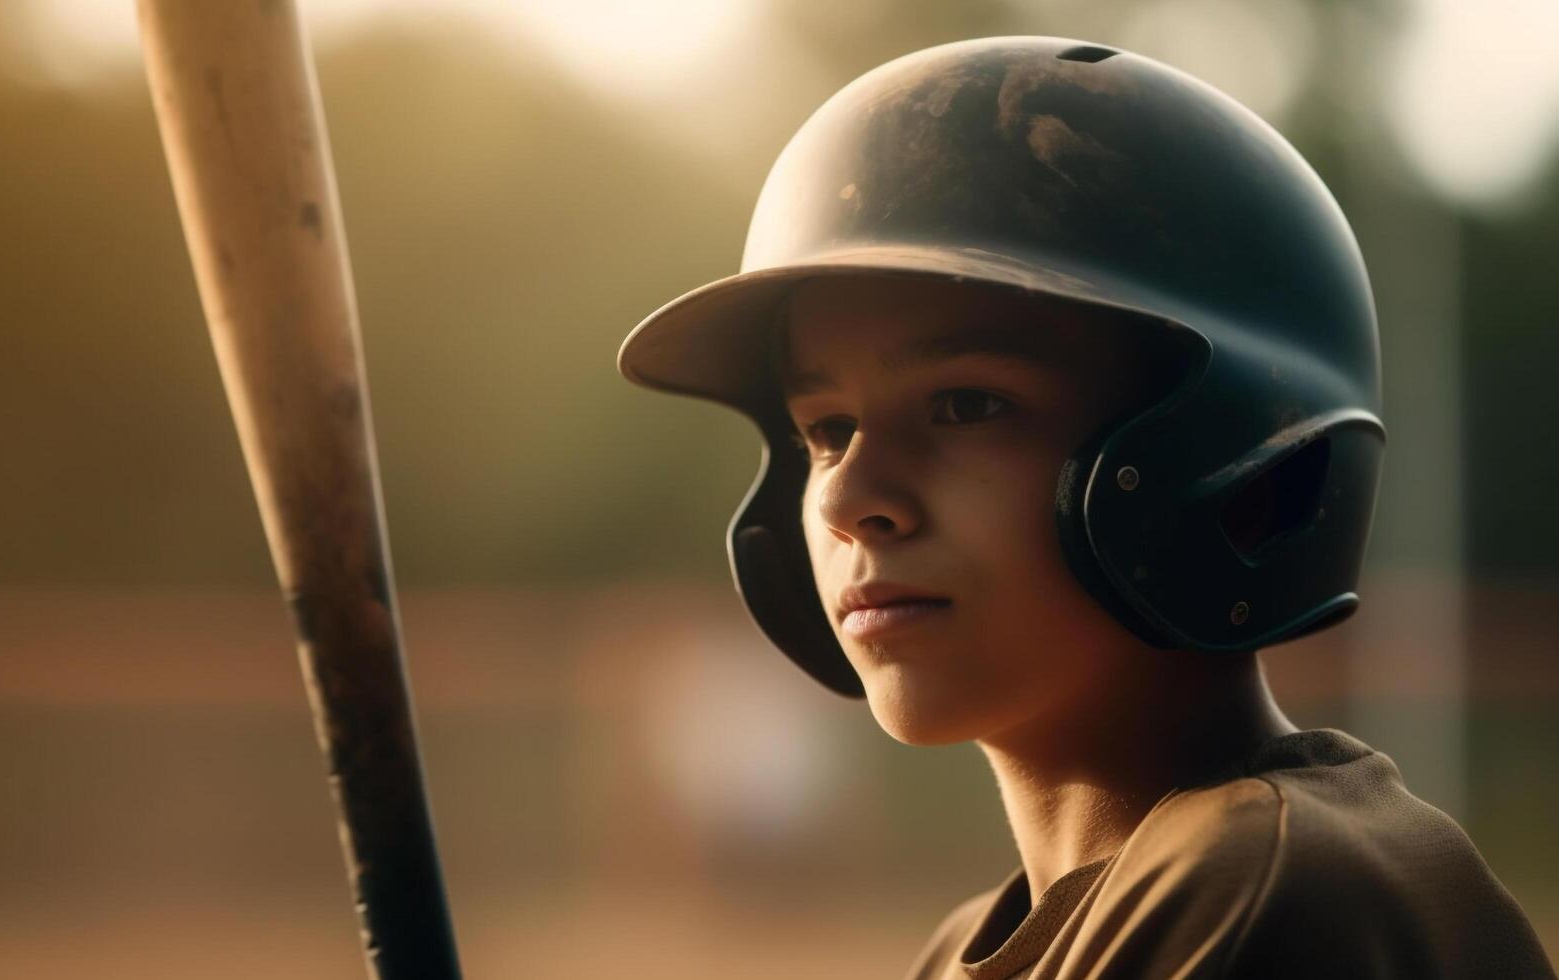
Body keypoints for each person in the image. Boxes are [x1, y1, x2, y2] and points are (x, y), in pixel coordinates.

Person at [616, 35, 1555, 979]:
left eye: (966, 405)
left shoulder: (1261, 883)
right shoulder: (981, 941)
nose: (852, 499)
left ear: (1237, 465)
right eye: (825, 429)